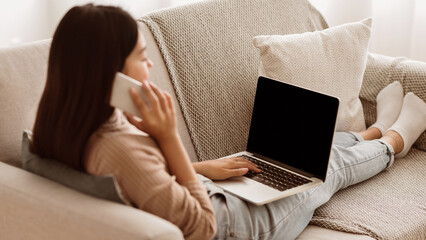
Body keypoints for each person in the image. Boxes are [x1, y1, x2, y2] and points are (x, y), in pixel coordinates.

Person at [30, 4, 426, 240]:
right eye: (141, 55)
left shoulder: (66, 125)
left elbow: (130, 178)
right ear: (109, 70)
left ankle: (366, 133)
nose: (149, 64)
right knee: (324, 168)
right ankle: (395, 138)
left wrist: (203, 168)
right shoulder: (119, 144)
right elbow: (202, 229)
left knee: (281, 158)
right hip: (234, 225)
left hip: (203, 188)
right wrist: (168, 138)